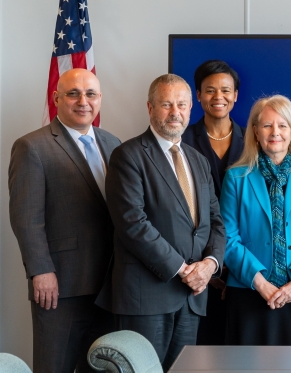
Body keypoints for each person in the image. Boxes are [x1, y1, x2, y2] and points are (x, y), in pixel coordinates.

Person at [96, 74, 225, 372]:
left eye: (181, 104)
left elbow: (215, 221)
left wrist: (209, 265)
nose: (175, 112)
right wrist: (183, 270)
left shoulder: (198, 160)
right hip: (147, 297)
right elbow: (132, 224)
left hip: (192, 297)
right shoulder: (127, 156)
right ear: (150, 107)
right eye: (166, 104)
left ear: (191, 108)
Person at [9, 68, 120, 373]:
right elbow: (26, 217)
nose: (83, 101)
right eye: (73, 93)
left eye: (91, 94)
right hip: (61, 284)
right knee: (54, 365)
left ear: (99, 100)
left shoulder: (112, 143)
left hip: (111, 283)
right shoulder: (32, 146)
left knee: (101, 367)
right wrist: (41, 271)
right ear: (57, 98)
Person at [220, 95, 291, 345]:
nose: (275, 132)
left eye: (282, 125)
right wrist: (260, 282)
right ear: (255, 132)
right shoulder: (236, 178)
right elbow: (227, 237)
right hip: (249, 291)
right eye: (267, 125)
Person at [181, 59, 246, 345]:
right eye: (209, 90)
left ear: (236, 96)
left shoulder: (255, 140)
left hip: (243, 263)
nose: (218, 97)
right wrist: (207, 266)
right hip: (193, 265)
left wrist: (230, 265)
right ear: (197, 95)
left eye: (225, 90)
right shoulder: (181, 140)